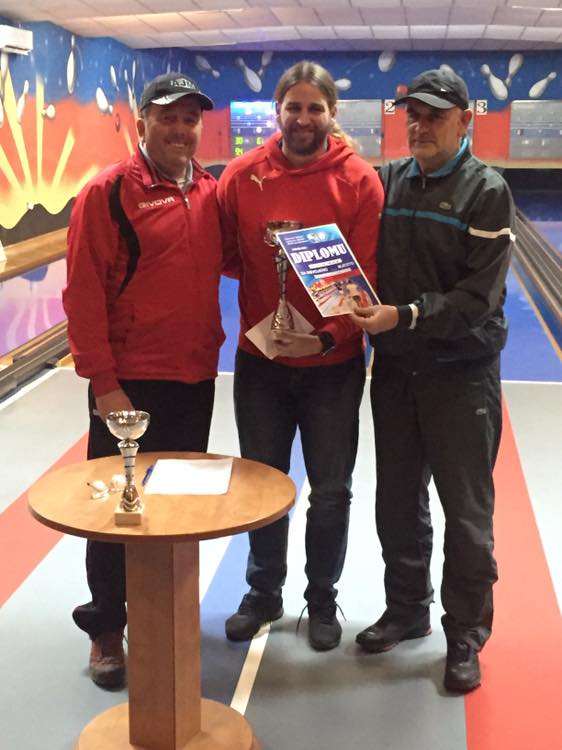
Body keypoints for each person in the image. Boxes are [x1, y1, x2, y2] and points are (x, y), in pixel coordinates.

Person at [350, 68, 515, 691]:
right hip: (396, 372)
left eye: (434, 116)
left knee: (466, 514)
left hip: (461, 376)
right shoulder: (390, 179)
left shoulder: (487, 191)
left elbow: (477, 298)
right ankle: (407, 608)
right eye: (412, 115)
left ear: (464, 121)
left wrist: (406, 315)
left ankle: (465, 634)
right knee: (396, 502)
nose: (419, 126)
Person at [62, 72, 224, 688]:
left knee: (179, 504)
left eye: (190, 119)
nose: (180, 129)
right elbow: (82, 296)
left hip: (194, 377)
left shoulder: (208, 190)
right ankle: (106, 624)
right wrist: (103, 384)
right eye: (168, 117)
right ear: (142, 122)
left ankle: (165, 612)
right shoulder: (107, 193)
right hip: (130, 382)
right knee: (118, 508)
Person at [217, 61, 384, 651]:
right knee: (263, 483)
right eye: (294, 107)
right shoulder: (241, 176)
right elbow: (227, 253)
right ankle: (263, 592)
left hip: (332, 369)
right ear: (278, 112)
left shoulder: (359, 181)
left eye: (316, 108)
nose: (304, 118)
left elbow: (364, 277)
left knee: (331, 490)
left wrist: (325, 337)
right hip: (261, 364)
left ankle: (322, 597)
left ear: (332, 114)